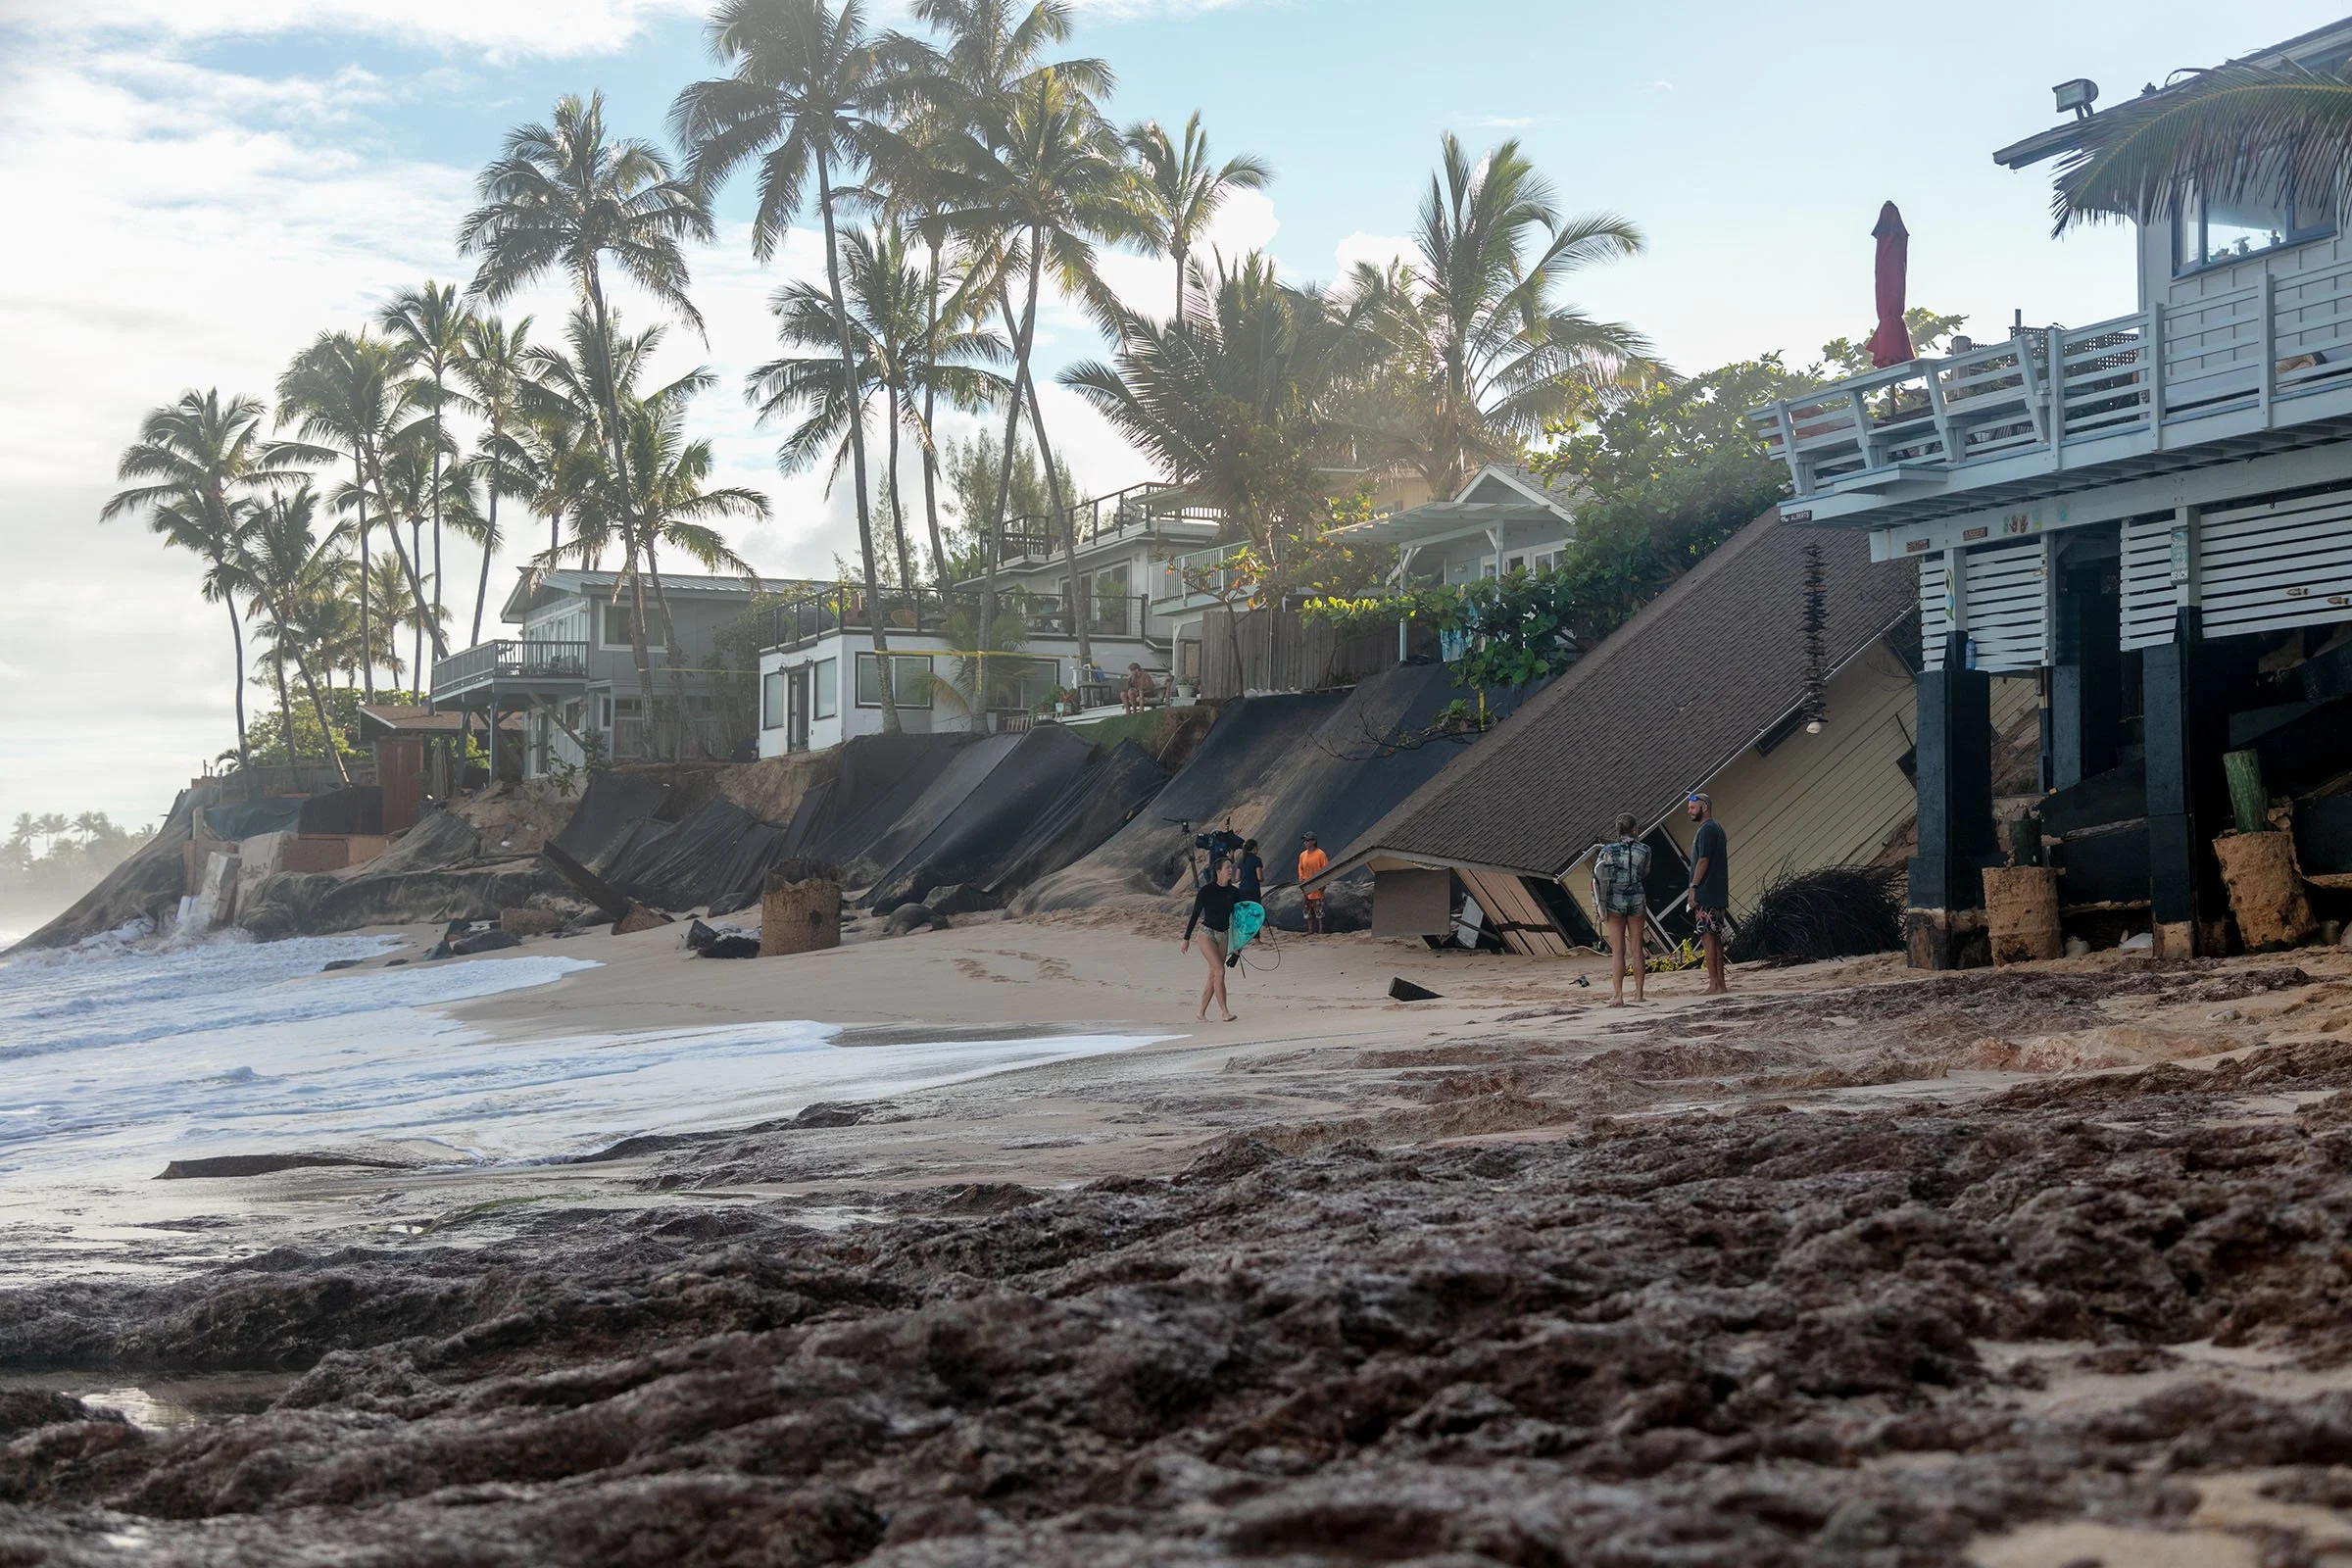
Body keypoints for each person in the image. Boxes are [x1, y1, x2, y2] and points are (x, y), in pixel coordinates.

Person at [1591, 812, 1652, 1006]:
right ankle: (1639, 993)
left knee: (1618, 950)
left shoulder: (1607, 850)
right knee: (1637, 948)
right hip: (1636, 898)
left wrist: (1597, 906)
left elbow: (1597, 878)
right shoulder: (1645, 849)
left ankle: (1618, 995)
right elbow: (1644, 873)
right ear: (1634, 829)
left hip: (1614, 900)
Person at [1183, 858, 1243, 1021]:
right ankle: (1224, 1012)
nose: (1231, 870)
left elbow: (1238, 920)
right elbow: (1195, 915)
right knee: (1220, 971)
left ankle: (1201, 1013)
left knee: (1213, 975)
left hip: (1223, 935)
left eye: (1231, 867)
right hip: (1206, 934)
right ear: (1218, 871)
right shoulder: (1206, 891)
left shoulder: (1234, 892)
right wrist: (1186, 938)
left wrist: (1239, 944)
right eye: (1227, 868)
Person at [1687, 792, 1730, 995]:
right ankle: (1720, 983)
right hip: (1718, 892)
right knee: (1715, 936)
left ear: (1704, 807)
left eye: (1692, 808)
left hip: (1707, 892)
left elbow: (1703, 860)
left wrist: (1694, 887)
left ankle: (1714, 983)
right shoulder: (1717, 828)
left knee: (1707, 937)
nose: (1690, 812)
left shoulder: (1707, 830)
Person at [1296, 831, 1328, 935]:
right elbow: (1300, 868)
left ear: (1314, 841)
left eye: (1308, 840)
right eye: (1305, 841)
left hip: (1317, 884)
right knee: (1308, 909)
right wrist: (1301, 879)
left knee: (1319, 909)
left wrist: (1323, 883)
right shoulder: (1302, 855)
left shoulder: (1320, 854)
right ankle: (1310, 930)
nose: (1306, 843)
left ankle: (1321, 930)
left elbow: (1325, 868)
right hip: (1306, 884)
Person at [1235, 838, 1264, 902]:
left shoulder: (1241, 860)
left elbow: (1237, 878)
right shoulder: (1256, 860)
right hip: (1253, 889)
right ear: (1254, 848)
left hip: (1242, 890)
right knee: (1255, 909)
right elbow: (1259, 877)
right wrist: (1262, 879)